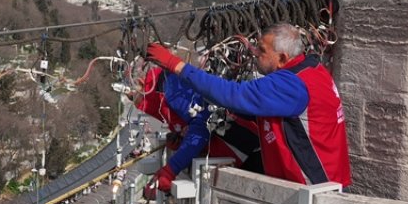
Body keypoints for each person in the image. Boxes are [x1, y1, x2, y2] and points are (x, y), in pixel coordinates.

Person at [145, 23, 351, 186]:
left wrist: (177, 66)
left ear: (281, 58)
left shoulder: (291, 85)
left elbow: (233, 95)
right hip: (321, 181)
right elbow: (245, 106)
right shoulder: (311, 70)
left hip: (312, 186)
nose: (254, 53)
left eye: (261, 50)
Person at [134, 66, 261, 199]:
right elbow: (191, 124)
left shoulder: (170, 87)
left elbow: (202, 123)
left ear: (140, 82)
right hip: (230, 149)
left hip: (242, 144)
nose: (133, 102)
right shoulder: (161, 92)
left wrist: (172, 168)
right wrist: (180, 139)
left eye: (131, 95)